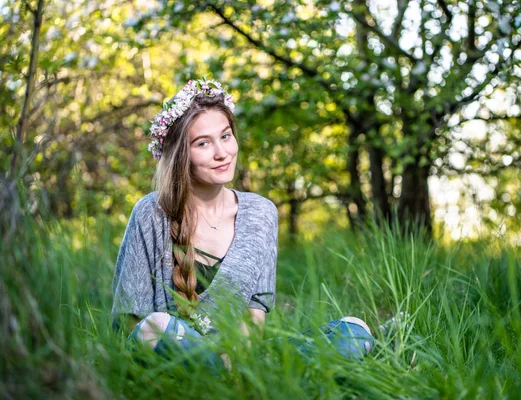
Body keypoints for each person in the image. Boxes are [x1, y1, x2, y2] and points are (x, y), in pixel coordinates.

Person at [111, 78, 374, 370]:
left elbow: (254, 314)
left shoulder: (261, 213)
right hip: (171, 356)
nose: (222, 153)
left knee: (353, 331)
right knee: (156, 326)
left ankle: (229, 378)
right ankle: (228, 380)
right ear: (181, 156)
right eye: (203, 143)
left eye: (225, 136)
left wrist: (235, 361)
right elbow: (131, 320)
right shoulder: (151, 213)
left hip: (239, 358)